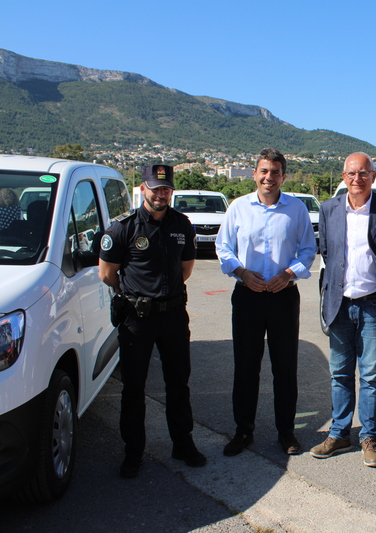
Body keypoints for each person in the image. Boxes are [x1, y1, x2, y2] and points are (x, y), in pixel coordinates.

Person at [99, 164, 206, 478]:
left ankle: (183, 443)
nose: (161, 194)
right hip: (137, 319)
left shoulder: (182, 225)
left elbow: (185, 269)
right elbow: (107, 274)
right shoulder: (123, 228)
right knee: (133, 387)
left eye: (166, 189)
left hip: (173, 316)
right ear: (143, 189)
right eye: (155, 188)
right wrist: (135, 295)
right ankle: (133, 451)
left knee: (178, 384)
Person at [311, 152, 376, 468]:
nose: (357, 179)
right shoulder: (328, 210)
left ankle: (369, 436)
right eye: (352, 173)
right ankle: (340, 433)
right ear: (344, 177)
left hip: (374, 306)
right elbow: (327, 252)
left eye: (363, 173)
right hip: (339, 305)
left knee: (370, 374)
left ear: (374, 176)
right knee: (339, 372)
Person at [215, 148, 316, 456]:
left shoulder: (296, 209)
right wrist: (242, 273)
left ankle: (286, 432)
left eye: (275, 172)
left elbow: (308, 250)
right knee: (246, 367)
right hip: (248, 296)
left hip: (284, 297)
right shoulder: (238, 207)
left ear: (283, 176)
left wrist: (289, 274)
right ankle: (243, 431)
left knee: (285, 368)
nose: (268, 177)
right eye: (263, 171)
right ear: (254, 174)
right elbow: (223, 248)